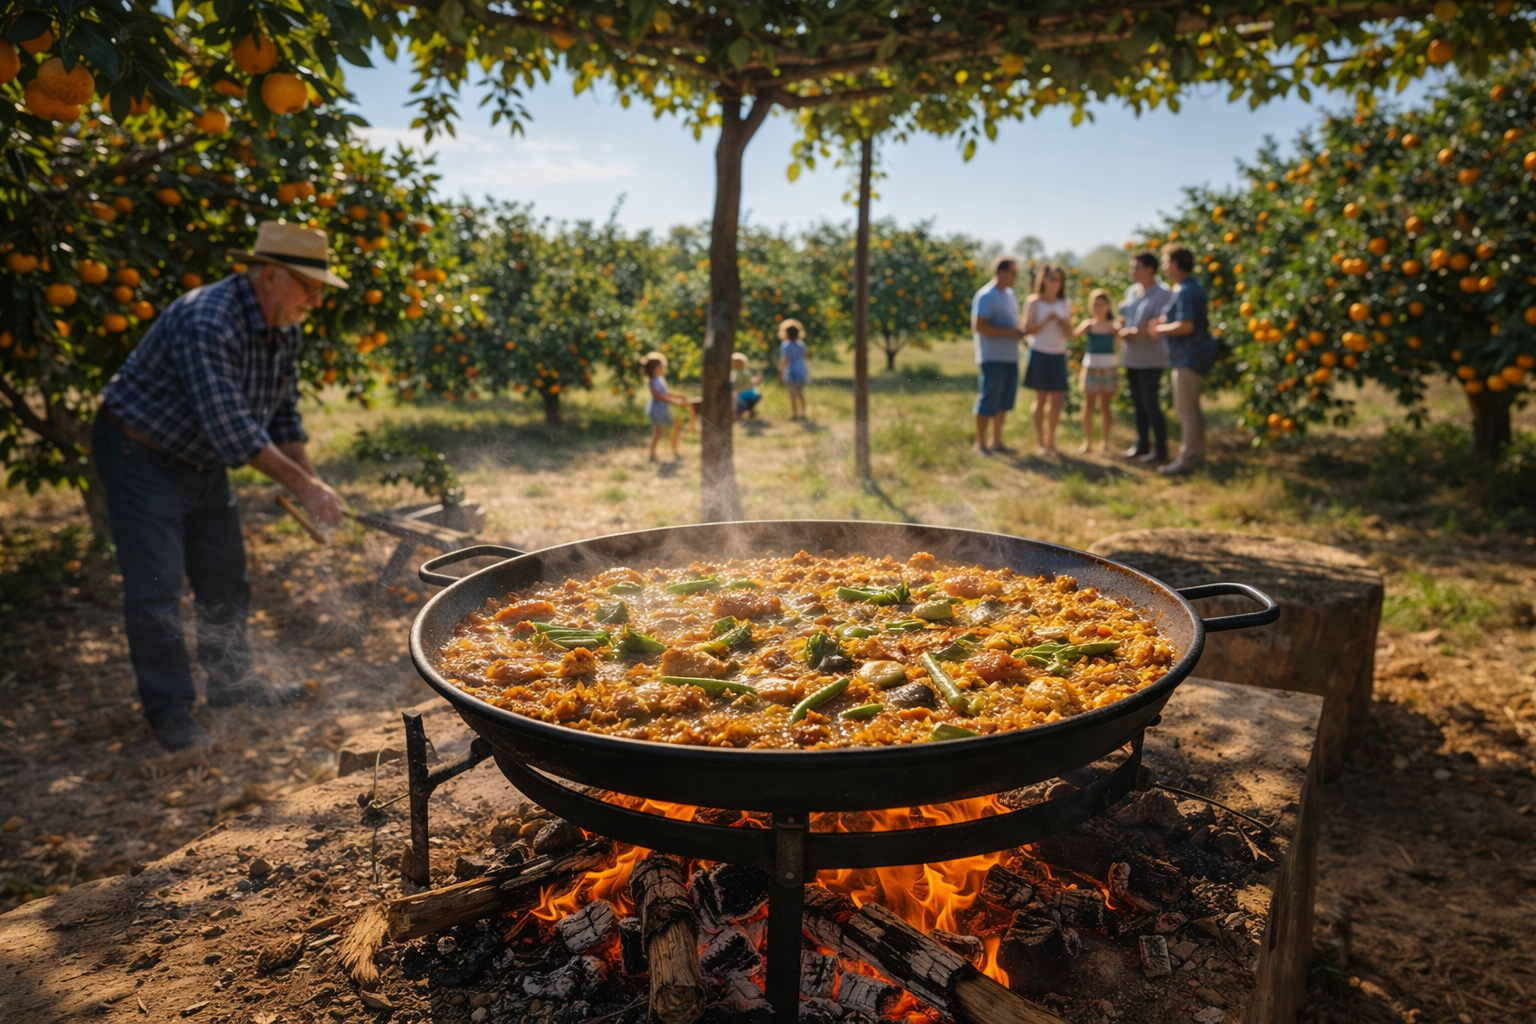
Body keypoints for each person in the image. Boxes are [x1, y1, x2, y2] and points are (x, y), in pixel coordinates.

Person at [94, 221, 347, 751]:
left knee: (225, 577)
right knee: (156, 590)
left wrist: (315, 482)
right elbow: (234, 429)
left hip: (203, 463)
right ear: (271, 274)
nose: (314, 301)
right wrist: (306, 490)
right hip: (142, 455)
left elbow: (283, 417)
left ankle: (234, 687)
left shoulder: (285, 328)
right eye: (309, 288)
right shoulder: (206, 318)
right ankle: (171, 714)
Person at [1151, 244, 1219, 475]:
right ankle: (1195, 455)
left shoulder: (1185, 290)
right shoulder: (1188, 287)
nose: (1164, 267)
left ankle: (1187, 460)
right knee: (1191, 410)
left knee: (1186, 411)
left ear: (1175, 263)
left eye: (1166, 262)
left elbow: (1186, 325)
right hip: (1191, 355)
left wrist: (1160, 330)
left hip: (1188, 356)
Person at [1117, 252, 1173, 462]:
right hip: (1132, 356)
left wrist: (1134, 332)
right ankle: (1142, 444)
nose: (1132, 271)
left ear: (1149, 269)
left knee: (1150, 403)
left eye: (1136, 267)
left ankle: (1161, 449)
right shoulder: (1132, 291)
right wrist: (1120, 325)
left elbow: (1158, 323)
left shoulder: (1163, 293)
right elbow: (1124, 315)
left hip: (1151, 358)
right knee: (1138, 403)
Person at [969, 255, 1024, 454]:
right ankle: (981, 444)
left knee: (1003, 401)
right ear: (1001, 272)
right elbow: (979, 326)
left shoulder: (1009, 295)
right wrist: (1010, 332)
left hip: (1010, 357)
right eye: (1013, 272)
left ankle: (996, 442)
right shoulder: (986, 295)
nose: (1015, 277)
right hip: (992, 358)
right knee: (988, 399)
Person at [1022, 262, 1071, 455]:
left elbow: (1069, 333)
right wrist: (1045, 321)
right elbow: (1027, 329)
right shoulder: (1034, 302)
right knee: (1040, 399)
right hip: (1039, 353)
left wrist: (1063, 322)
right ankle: (1040, 442)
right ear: (1043, 280)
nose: (1054, 283)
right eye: (1051, 279)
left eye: (1058, 279)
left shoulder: (1064, 304)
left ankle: (1051, 441)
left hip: (1057, 353)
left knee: (1057, 400)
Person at [1072, 289, 1120, 453]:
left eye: (1102, 304)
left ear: (1108, 306)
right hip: (1091, 366)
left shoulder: (1113, 326)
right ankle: (1087, 441)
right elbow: (1073, 335)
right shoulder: (1088, 324)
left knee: (1105, 406)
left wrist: (1119, 331)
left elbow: (1119, 344)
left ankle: (1105, 441)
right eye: (1095, 304)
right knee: (1089, 405)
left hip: (1108, 367)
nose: (1098, 308)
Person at [643, 351, 692, 462]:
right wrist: (677, 402)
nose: (662, 369)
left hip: (663, 410)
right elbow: (658, 396)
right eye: (660, 367)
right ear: (652, 369)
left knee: (676, 425)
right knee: (659, 433)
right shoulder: (652, 381)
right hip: (657, 410)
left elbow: (666, 393)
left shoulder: (660, 379)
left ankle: (674, 450)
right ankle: (652, 454)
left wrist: (679, 397)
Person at [777, 319, 809, 420]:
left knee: (792, 395)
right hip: (801, 370)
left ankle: (794, 414)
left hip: (791, 371)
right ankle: (803, 413)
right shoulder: (801, 344)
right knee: (800, 393)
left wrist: (781, 372)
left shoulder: (785, 345)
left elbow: (785, 360)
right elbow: (805, 357)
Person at [732, 352, 763, 419]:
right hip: (751, 395)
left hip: (744, 396)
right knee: (748, 407)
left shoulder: (739, 373)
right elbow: (751, 382)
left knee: (739, 409)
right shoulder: (743, 372)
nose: (737, 364)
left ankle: (740, 417)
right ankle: (749, 416)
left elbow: (737, 384)